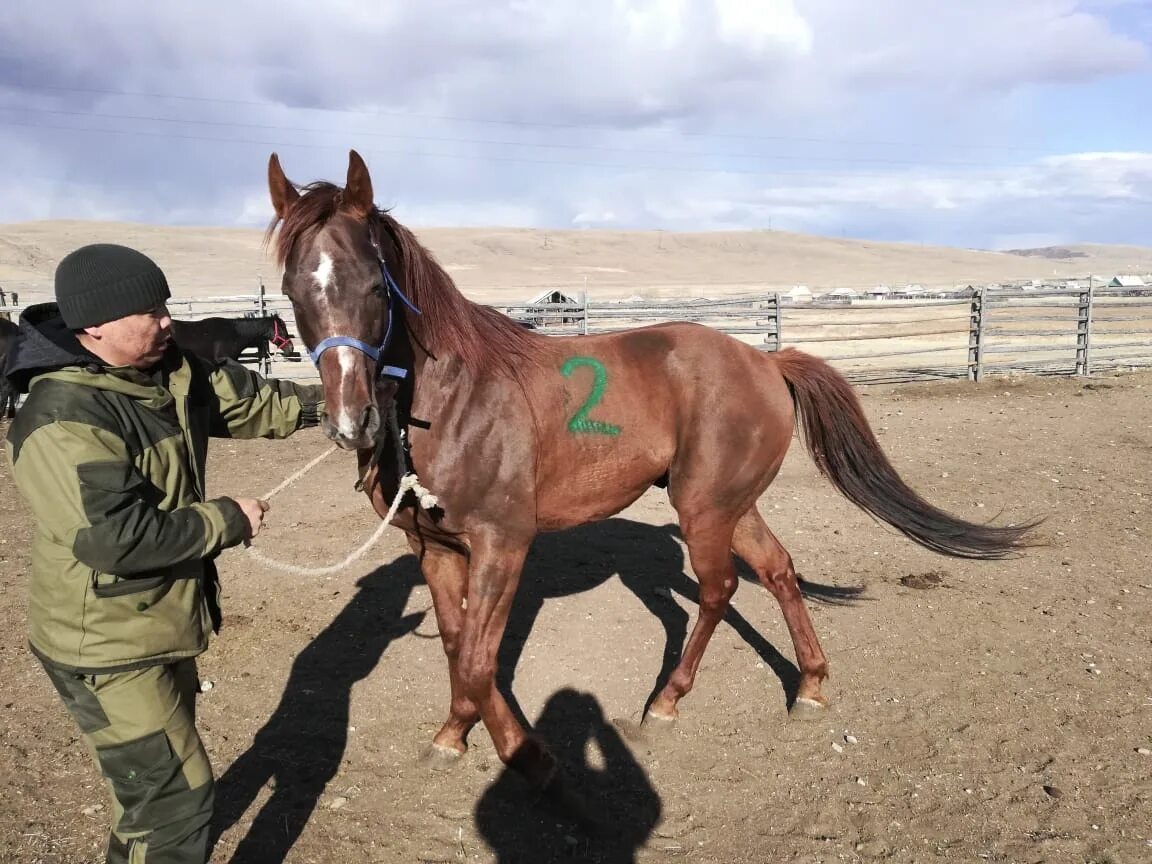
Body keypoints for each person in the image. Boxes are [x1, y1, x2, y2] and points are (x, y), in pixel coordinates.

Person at [3, 243, 325, 864]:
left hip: (154, 623)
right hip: (103, 641)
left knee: (152, 801)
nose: (167, 321)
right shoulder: (63, 417)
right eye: (149, 311)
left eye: (165, 305)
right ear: (94, 326)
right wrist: (228, 519)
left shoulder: (170, 372)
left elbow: (255, 403)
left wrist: (341, 406)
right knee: (177, 801)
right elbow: (117, 539)